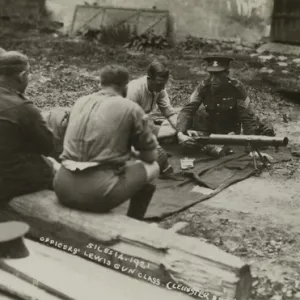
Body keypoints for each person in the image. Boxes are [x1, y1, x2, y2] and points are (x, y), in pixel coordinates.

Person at [53, 65, 160, 220]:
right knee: (153, 167)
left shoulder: (80, 101)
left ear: (100, 84)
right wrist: (134, 151)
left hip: (62, 186)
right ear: (126, 86)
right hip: (96, 193)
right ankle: (134, 221)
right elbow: (150, 156)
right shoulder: (130, 108)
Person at [176, 55, 275, 157]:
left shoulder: (237, 88)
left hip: (230, 132)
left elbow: (246, 119)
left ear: (227, 73)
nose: (213, 79)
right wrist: (180, 134)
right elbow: (187, 110)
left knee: (254, 128)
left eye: (218, 75)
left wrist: (252, 149)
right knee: (189, 143)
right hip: (210, 129)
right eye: (211, 74)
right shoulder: (204, 86)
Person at [0, 51, 55, 206]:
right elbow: (47, 145)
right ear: (21, 75)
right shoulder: (21, 107)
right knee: (50, 166)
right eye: (29, 75)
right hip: (8, 179)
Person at [127, 59, 180, 179]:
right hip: (128, 126)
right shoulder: (134, 90)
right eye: (159, 83)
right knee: (155, 155)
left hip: (145, 123)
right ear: (149, 77)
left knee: (173, 132)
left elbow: (170, 113)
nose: (162, 87)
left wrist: (181, 131)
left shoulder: (160, 89)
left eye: (164, 84)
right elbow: (126, 121)